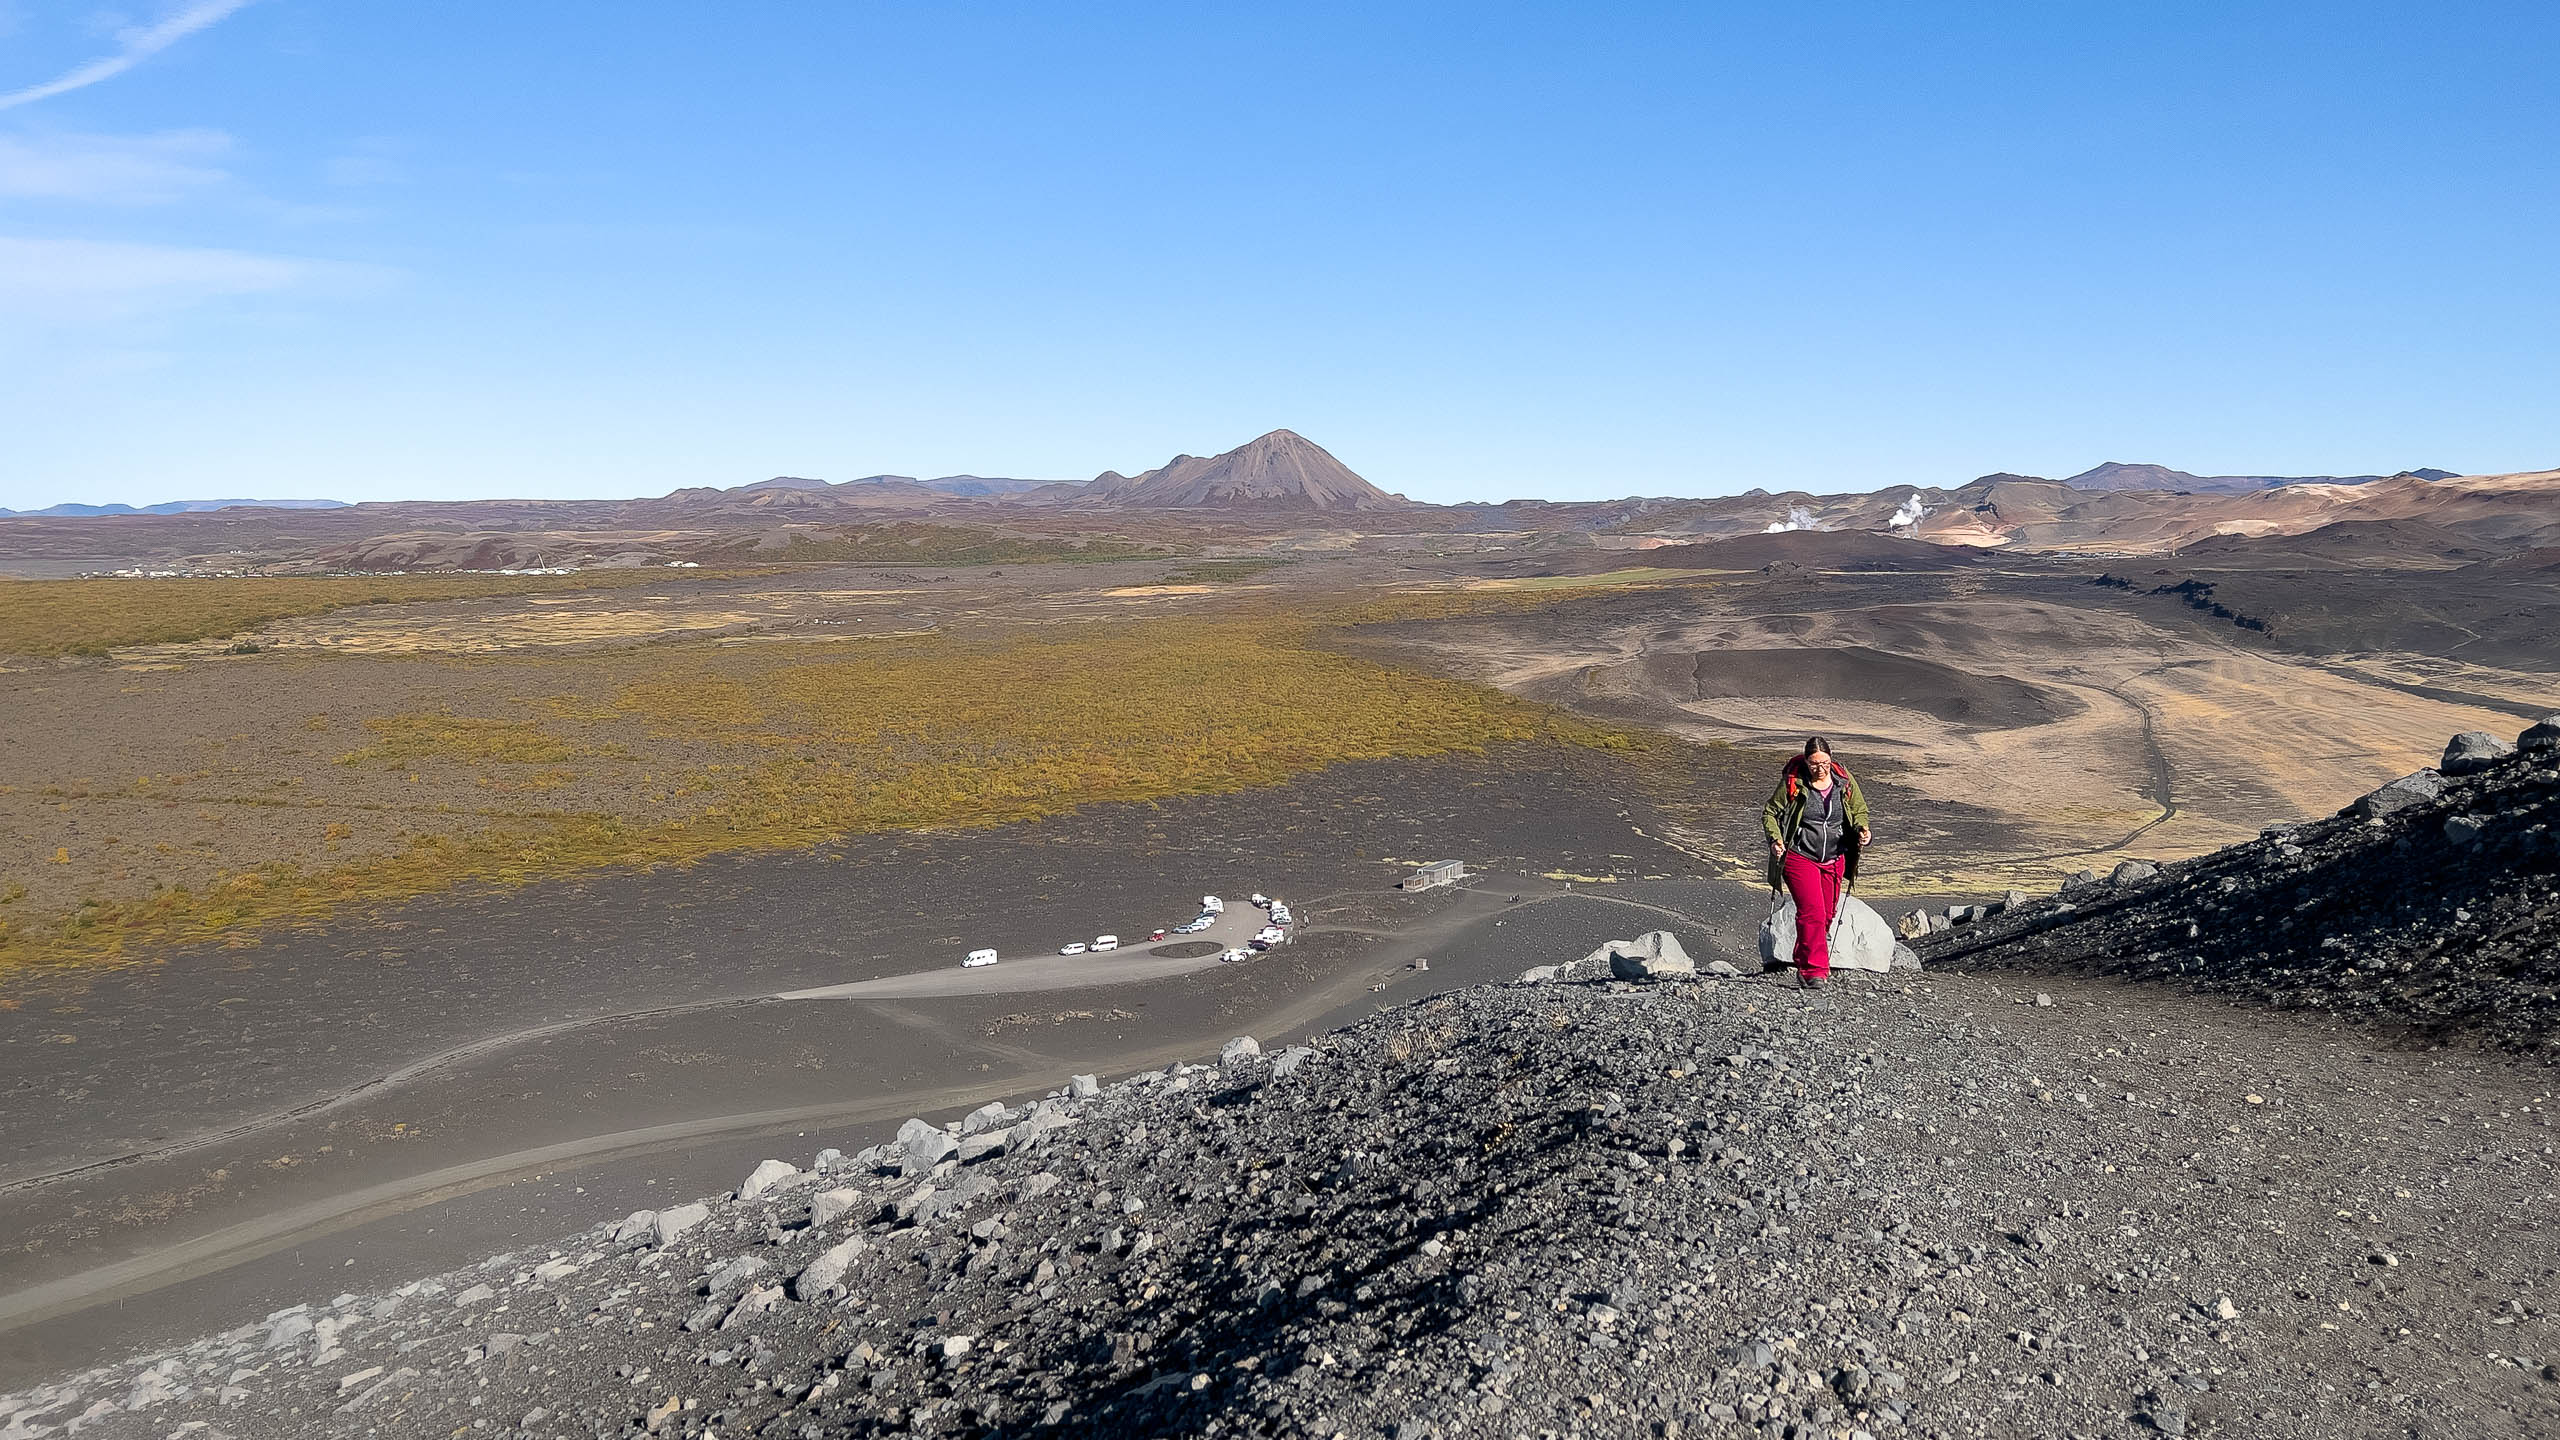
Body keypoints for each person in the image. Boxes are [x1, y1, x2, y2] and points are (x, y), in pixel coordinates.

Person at [1762, 736, 1870, 990]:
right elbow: (1770, 812)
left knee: (1827, 915)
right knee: (1813, 913)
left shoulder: (1844, 782)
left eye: (1825, 763)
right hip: (1800, 857)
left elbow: (1860, 809)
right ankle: (1815, 971)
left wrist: (1862, 828)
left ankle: (1802, 959)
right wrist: (1776, 839)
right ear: (1806, 762)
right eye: (1814, 764)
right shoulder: (1794, 783)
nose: (1820, 769)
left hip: (1835, 857)